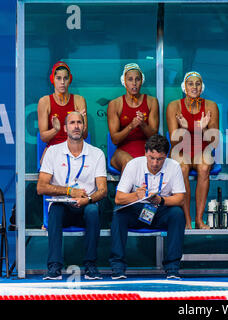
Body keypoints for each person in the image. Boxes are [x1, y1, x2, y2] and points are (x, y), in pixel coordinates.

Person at [36, 111, 107, 280]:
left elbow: (102, 189)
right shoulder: (52, 152)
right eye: (72, 123)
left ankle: (90, 266)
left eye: (79, 122)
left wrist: (87, 199)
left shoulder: (97, 153)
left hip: (86, 205)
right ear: (66, 128)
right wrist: (69, 191)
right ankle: (54, 266)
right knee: (55, 211)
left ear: (84, 127)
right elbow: (41, 187)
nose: (76, 126)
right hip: (63, 205)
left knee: (92, 211)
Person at [109, 134, 186, 280]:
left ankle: (172, 268)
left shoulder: (174, 166)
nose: (155, 163)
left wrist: (160, 200)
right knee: (119, 214)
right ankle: (118, 267)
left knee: (177, 214)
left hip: (160, 210)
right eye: (151, 158)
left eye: (160, 159)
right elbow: (119, 198)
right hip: (137, 209)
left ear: (166, 156)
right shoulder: (133, 165)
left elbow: (180, 199)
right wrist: (136, 196)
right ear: (145, 153)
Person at [166, 71, 219, 229]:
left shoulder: (210, 106)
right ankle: (187, 220)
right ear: (184, 86)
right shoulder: (174, 106)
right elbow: (174, 141)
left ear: (202, 87)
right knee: (181, 168)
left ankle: (199, 219)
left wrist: (201, 129)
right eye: (190, 83)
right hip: (180, 150)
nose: (194, 87)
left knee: (204, 168)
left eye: (198, 84)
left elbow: (214, 141)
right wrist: (191, 128)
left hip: (203, 149)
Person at [107, 63, 160, 173]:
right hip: (122, 151)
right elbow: (115, 139)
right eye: (130, 79)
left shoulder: (152, 102)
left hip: (147, 150)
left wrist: (143, 124)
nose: (134, 83)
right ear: (124, 82)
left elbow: (154, 137)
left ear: (142, 81)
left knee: (153, 163)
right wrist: (131, 126)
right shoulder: (115, 104)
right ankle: (125, 191)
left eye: (137, 79)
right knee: (130, 163)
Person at [37, 61, 88, 164]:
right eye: (58, 78)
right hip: (54, 147)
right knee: (46, 168)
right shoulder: (44, 101)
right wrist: (55, 130)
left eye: (65, 78)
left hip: (75, 146)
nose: (62, 82)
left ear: (70, 80)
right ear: (52, 79)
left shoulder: (79, 100)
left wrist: (80, 122)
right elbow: (43, 137)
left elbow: (85, 135)